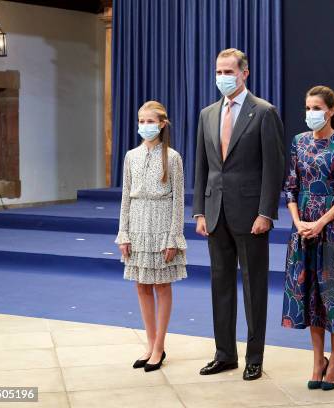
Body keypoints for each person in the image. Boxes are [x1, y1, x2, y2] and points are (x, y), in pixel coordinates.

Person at [192, 48, 285, 380]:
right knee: (221, 285)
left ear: (245, 73)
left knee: (254, 287)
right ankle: (225, 354)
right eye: (218, 71)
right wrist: (199, 211)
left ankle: (254, 357)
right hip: (215, 212)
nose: (222, 77)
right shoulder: (207, 114)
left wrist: (266, 212)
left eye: (228, 71)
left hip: (251, 215)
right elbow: (202, 166)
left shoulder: (264, 112)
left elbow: (274, 170)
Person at [281, 85, 334, 391]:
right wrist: (299, 222)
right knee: (311, 296)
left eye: (316, 108)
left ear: (330, 110)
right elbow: (290, 186)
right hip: (303, 228)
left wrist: (319, 223)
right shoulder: (298, 142)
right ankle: (317, 360)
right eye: (307, 108)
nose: (310, 113)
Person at [115, 100, 187, 372]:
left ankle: (160, 346)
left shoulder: (173, 157)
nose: (145, 126)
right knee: (141, 285)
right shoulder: (131, 156)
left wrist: (173, 237)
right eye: (141, 121)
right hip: (136, 226)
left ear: (162, 124)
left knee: (161, 285)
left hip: (161, 225)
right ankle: (149, 343)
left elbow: (178, 200)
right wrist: (123, 233)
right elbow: (125, 197)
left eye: (150, 121)